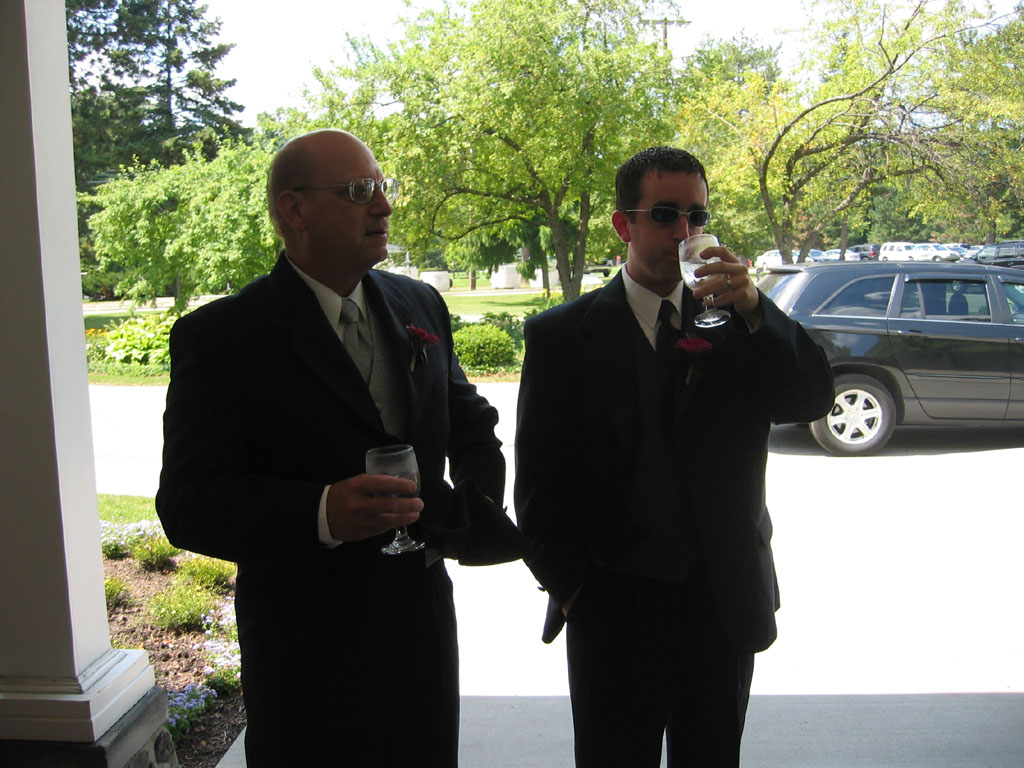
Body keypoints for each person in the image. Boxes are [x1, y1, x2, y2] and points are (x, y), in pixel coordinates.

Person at [156, 128, 521, 767]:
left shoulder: (419, 303)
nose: (383, 205)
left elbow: (472, 426)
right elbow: (187, 503)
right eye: (358, 191)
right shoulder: (222, 338)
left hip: (422, 634)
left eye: (382, 186)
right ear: (294, 210)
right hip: (307, 654)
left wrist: (465, 515)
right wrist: (322, 513)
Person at [514, 146, 835, 767]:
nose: (685, 232)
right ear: (623, 224)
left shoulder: (739, 324)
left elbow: (811, 397)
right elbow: (539, 487)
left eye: (698, 216)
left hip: (721, 603)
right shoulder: (561, 337)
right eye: (666, 214)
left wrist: (755, 308)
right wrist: (577, 592)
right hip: (613, 611)